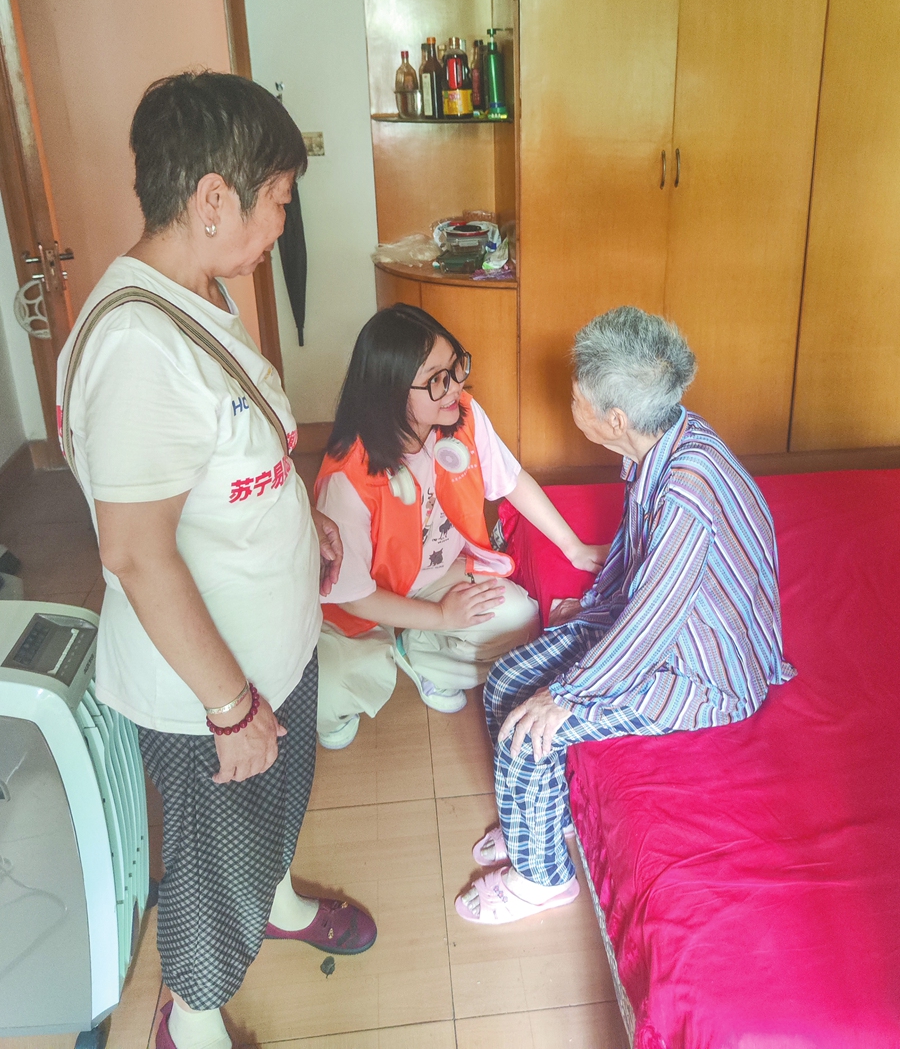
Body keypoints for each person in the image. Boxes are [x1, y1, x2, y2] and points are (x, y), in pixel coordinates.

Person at [56, 71, 376, 1049]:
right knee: (211, 869)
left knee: (276, 815)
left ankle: (274, 903)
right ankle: (190, 1016)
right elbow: (137, 554)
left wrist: (296, 521)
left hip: (273, 647)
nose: (282, 224)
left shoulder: (196, 294)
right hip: (209, 695)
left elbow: (227, 461)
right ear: (211, 199)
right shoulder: (137, 350)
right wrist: (231, 708)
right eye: (278, 199)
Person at [455, 306, 796, 924]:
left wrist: (567, 694)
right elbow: (644, 562)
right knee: (505, 682)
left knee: (534, 732)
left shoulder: (688, 491)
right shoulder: (664, 441)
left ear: (615, 418)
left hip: (704, 671)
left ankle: (543, 881)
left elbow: (654, 621)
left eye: (578, 398)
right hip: (656, 627)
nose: (572, 404)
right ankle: (540, 820)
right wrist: (593, 606)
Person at [314, 303, 605, 749]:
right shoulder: (348, 476)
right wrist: (441, 617)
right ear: (391, 392)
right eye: (437, 380)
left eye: (455, 367)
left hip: (440, 574)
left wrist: (572, 547)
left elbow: (511, 480)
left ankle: (424, 655)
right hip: (367, 600)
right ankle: (397, 647)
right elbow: (355, 597)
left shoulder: (462, 416)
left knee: (520, 619)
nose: (455, 386)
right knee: (329, 692)